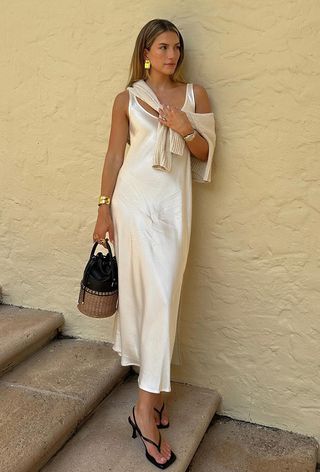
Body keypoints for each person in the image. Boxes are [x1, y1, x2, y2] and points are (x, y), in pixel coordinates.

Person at [92, 18, 215, 469]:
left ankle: (157, 395)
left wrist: (184, 126)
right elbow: (114, 155)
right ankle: (146, 408)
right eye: (163, 47)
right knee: (150, 302)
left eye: (176, 48)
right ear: (146, 50)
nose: (171, 55)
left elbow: (204, 152)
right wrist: (103, 209)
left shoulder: (193, 95)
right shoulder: (127, 98)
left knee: (166, 298)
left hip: (173, 211)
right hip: (132, 206)